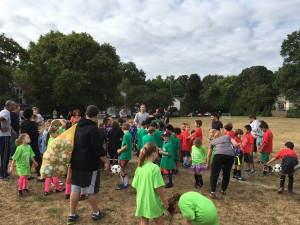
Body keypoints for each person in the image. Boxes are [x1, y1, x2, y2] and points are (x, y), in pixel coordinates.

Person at [67, 105, 109, 224]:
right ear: (96, 116)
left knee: (75, 189)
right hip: (89, 165)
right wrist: (106, 161)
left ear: (86, 114)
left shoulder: (76, 126)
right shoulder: (93, 129)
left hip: (76, 162)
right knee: (91, 190)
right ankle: (96, 213)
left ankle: (72, 214)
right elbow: (98, 149)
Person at [132, 142, 168, 225]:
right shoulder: (155, 168)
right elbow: (158, 187)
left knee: (144, 220)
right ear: (154, 154)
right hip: (153, 201)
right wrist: (164, 200)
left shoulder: (139, 167)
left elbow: (135, 185)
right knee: (159, 219)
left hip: (141, 200)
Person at [207, 130, 238, 198]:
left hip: (218, 156)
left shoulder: (212, 142)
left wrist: (208, 163)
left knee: (214, 174)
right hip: (230, 156)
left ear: (213, 134)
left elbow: (209, 154)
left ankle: (213, 192)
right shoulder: (227, 136)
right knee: (226, 173)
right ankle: (223, 190)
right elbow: (235, 144)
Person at [20, 108, 43, 181]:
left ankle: (27, 175)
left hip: (25, 143)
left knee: (27, 159)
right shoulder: (33, 123)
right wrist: (38, 133)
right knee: (38, 159)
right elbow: (34, 134)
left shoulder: (23, 123)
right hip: (33, 143)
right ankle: (39, 176)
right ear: (31, 114)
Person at [44, 124, 65, 195]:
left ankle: (47, 190)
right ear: (52, 133)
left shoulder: (50, 139)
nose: (58, 134)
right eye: (57, 133)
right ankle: (58, 188)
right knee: (54, 175)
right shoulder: (53, 140)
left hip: (48, 159)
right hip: (53, 160)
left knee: (49, 175)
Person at [0, 100, 16, 179]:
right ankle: (3, 174)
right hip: (4, 136)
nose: (15, 107)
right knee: (5, 155)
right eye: (13, 105)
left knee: (4, 155)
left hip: (4, 136)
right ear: (9, 105)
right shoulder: (6, 112)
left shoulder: (4, 111)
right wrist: (1, 129)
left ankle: (2, 172)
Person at [116, 123, 133, 190]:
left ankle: (125, 185)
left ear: (122, 129)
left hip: (124, 155)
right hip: (127, 155)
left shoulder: (125, 136)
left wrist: (120, 150)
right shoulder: (130, 135)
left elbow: (126, 146)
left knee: (121, 169)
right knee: (123, 169)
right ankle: (125, 183)